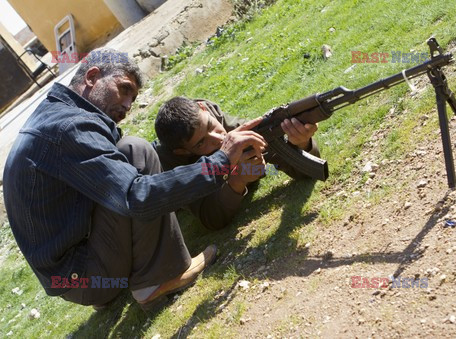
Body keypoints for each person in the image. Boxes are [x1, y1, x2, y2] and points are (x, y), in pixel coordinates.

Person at [2, 48, 266, 310]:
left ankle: (112, 288)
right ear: (92, 77)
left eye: (133, 97)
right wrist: (220, 162)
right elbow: (138, 197)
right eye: (124, 89)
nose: (128, 105)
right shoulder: (69, 128)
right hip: (87, 279)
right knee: (137, 152)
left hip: (74, 279)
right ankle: (161, 278)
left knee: (128, 152)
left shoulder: (56, 114)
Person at [153, 97, 320, 230]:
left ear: (203, 109)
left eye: (211, 125)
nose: (219, 139)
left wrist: (301, 143)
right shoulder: (171, 163)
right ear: (184, 151)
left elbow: (297, 168)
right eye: (201, 143)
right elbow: (211, 218)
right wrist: (237, 180)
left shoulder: (221, 121)